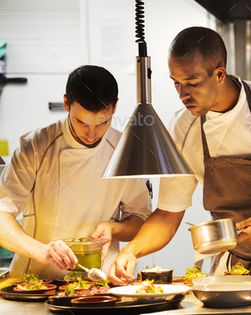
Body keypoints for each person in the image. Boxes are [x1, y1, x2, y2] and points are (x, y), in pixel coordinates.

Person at [109, 27, 251, 284]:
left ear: (219, 74)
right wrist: (131, 251)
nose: (183, 95)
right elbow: (169, 214)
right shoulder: (183, 128)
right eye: (176, 83)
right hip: (235, 266)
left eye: (192, 84)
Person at [0, 65, 151, 279]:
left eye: (102, 122)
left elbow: (140, 220)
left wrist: (113, 228)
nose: (91, 134)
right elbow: (1, 215)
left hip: (99, 283)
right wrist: (41, 251)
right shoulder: (35, 147)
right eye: (81, 122)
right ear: (66, 104)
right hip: (36, 282)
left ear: (114, 108)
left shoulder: (125, 150)